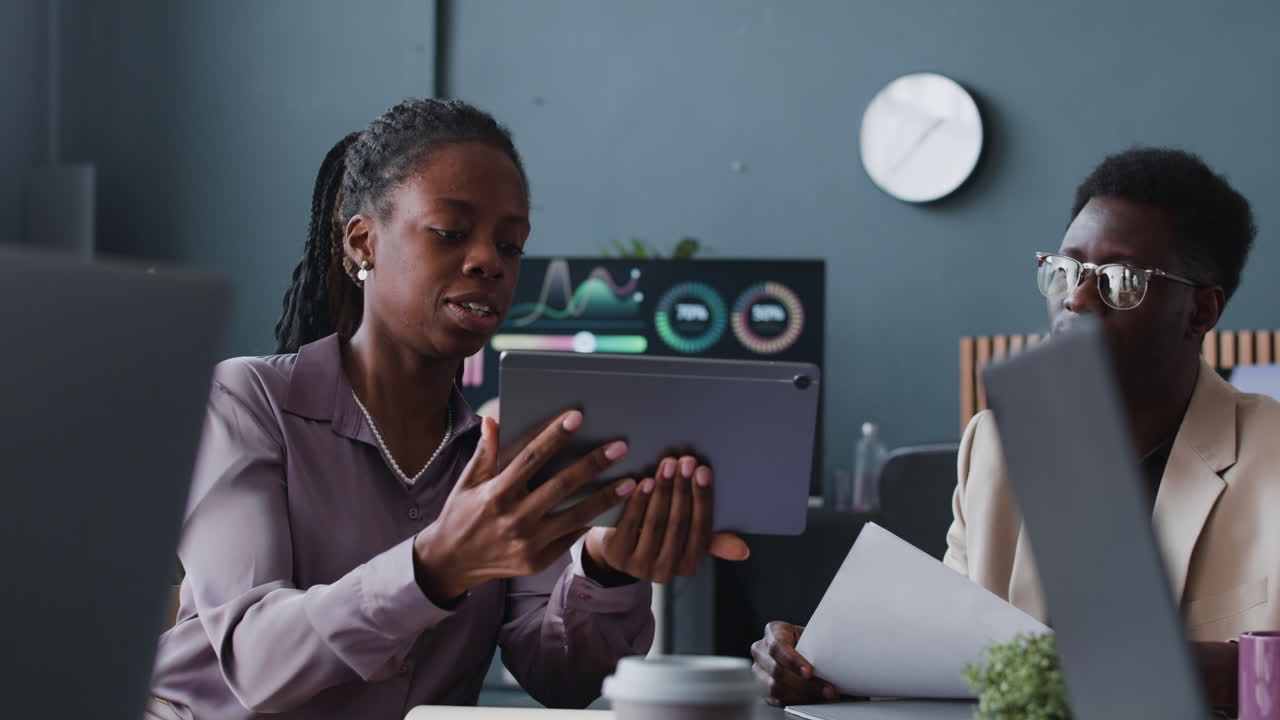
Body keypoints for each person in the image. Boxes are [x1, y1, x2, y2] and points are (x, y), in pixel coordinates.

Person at [148, 98, 749, 720]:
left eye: (511, 245)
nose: (490, 261)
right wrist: (434, 566)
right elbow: (254, 659)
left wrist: (608, 571)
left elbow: (560, 677)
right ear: (363, 244)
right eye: (451, 233)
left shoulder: (504, 449)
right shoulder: (247, 401)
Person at [753, 147, 1277, 712]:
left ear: (1202, 311)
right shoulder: (997, 443)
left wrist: (1233, 670)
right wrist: (827, 663)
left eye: (1122, 281)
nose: (1077, 299)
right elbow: (947, 653)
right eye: (1067, 270)